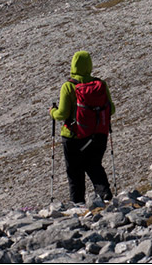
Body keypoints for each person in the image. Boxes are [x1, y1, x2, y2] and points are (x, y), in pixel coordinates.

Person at [49, 50, 115, 204]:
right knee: (94, 166)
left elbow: (62, 114)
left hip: (74, 137)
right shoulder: (101, 85)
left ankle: (77, 203)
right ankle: (105, 196)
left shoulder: (68, 86)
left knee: (74, 172)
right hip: (98, 136)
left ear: (73, 65)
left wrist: (52, 112)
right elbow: (111, 109)